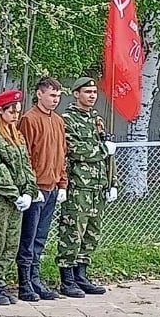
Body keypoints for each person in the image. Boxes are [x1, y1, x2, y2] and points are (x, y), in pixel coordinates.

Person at [0, 89, 38, 305]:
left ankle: (0, 280)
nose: (15, 116)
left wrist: (30, 190)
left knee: (11, 242)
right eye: (11, 112)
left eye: (17, 112)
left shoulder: (17, 135)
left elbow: (26, 164)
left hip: (18, 199)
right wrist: (14, 193)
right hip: (1, 198)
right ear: (0, 111)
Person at [56, 77, 116, 296]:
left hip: (96, 187)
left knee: (91, 233)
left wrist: (112, 183)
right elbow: (74, 149)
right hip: (78, 185)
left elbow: (109, 157)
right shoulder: (67, 119)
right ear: (76, 94)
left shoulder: (96, 119)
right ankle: (67, 279)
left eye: (94, 92)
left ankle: (81, 275)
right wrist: (102, 150)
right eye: (87, 92)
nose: (92, 96)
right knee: (73, 231)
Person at [16, 76, 68, 302]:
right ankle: (25, 282)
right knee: (28, 237)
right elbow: (24, 155)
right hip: (36, 187)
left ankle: (35, 278)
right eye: (51, 95)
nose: (55, 99)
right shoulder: (29, 119)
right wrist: (29, 186)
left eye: (58, 95)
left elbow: (62, 154)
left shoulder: (57, 121)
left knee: (41, 236)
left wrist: (62, 183)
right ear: (39, 94)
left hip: (52, 186)